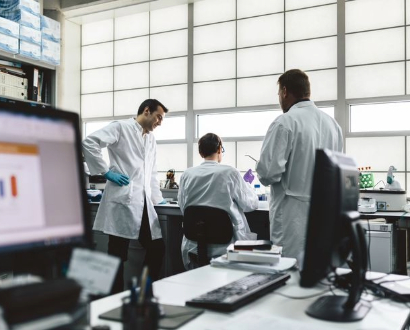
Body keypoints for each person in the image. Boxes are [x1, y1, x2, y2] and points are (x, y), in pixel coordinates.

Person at [82, 99, 168, 293]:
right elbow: (89, 142)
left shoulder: (151, 139)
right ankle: (113, 299)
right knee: (117, 256)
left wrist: (158, 199)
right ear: (147, 111)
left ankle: (143, 293)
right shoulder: (121, 127)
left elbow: (151, 173)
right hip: (122, 199)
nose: (160, 122)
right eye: (159, 117)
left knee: (157, 248)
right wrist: (105, 172)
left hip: (144, 201)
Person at [256, 69, 343, 259]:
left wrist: (261, 168)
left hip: (291, 218)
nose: (279, 98)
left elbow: (268, 174)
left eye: (279, 93)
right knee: (317, 271)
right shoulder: (333, 125)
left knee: (290, 271)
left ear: (285, 91)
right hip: (323, 215)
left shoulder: (285, 122)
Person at [178, 133, 258, 269]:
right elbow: (251, 204)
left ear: (200, 152)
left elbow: (182, 206)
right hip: (226, 249)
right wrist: (247, 185)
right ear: (220, 149)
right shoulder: (230, 172)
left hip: (193, 248)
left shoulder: (187, 174)